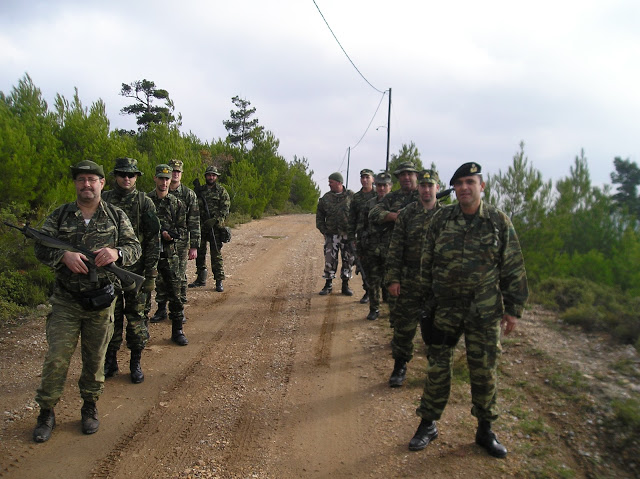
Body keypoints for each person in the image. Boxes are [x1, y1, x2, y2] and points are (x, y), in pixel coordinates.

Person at [408, 162, 529, 458]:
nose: (464, 187)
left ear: (481, 186)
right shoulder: (442, 219)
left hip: (484, 312)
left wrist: (513, 310)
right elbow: (427, 260)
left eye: (470, 182)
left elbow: (513, 266)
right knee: (438, 367)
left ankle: (485, 430)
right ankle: (428, 423)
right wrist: (424, 302)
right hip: (445, 309)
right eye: (459, 182)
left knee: (484, 371)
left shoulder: (498, 222)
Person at [32, 160, 141, 443]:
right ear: (76, 184)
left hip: (101, 302)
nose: (87, 185)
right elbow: (40, 246)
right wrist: (62, 257)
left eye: (92, 179)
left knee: (95, 361)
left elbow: (134, 247)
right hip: (66, 301)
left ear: (102, 183)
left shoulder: (116, 216)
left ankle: (89, 407)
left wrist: (117, 253)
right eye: (81, 179)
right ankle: (46, 412)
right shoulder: (59, 216)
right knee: (56, 359)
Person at [102, 157, 160, 384]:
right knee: (111, 319)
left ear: (136, 177)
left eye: (131, 175)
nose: (127, 178)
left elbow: (153, 241)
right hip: (109, 272)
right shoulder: (104, 199)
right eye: (122, 174)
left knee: (137, 318)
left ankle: (135, 362)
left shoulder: (145, 203)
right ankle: (110, 361)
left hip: (136, 272)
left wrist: (151, 274)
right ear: (115, 176)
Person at [385, 169, 441, 387]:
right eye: (423, 186)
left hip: (434, 285)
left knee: (435, 331)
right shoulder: (407, 214)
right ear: (419, 188)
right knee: (403, 327)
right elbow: (395, 248)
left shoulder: (446, 215)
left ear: (437, 187)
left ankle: (435, 371)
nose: (426, 189)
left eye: (430, 185)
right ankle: (400, 366)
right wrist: (393, 279)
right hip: (408, 281)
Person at [368, 161, 420, 325]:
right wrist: (393, 216)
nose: (406, 177)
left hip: (420, 256)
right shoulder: (392, 197)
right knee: (395, 294)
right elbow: (374, 213)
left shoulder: (424, 194)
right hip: (395, 253)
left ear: (416, 176)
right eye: (402, 175)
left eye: (409, 174)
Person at [150, 159, 200, 322]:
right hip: (157, 244)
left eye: (178, 172)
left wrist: (194, 245)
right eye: (173, 171)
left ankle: (179, 308)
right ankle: (161, 308)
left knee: (178, 276)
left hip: (180, 243)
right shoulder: (151, 197)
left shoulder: (187, 194)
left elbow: (193, 220)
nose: (175, 174)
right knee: (159, 277)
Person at [147, 164, 189, 346]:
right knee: (144, 294)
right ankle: (141, 332)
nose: (164, 182)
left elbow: (183, 229)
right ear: (155, 179)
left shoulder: (177, 203)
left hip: (170, 254)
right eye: (161, 178)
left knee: (175, 291)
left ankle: (177, 330)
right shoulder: (146, 201)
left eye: (167, 179)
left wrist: (170, 235)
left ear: (171, 180)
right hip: (149, 255)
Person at [189, 165, 231, 292]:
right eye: (209, 175)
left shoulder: (221, 191)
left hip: (215, 228)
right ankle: (201, 279)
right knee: (200, 255)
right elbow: (192, 206)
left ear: (216, 177)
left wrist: (216, 220)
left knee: (216, 255)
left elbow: (225, 209)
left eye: (213, 175)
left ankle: (219, 281)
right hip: (201, 227)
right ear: (205, 176)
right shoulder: (199, 191)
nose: (211, 177)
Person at [360, 171, 393, 320]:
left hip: (391, 248)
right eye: (379, 185)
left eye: (384, 185)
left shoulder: (396, 203)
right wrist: (360, 246)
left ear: (390, 186)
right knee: (373, 280)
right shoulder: (370, 204)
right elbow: (362, 226)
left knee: (391, 280)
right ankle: (374, 308)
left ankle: (392, 309)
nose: (381, 188)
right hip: (372, 247)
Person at [315, 172, 355, 296]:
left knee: (348, 259)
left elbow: (358, 213)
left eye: (331, 182)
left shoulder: (351, 196)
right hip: (331, 235)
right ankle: (328, 284)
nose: (329, 184)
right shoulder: (326, 198)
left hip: (347, 235)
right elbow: (319, 216)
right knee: (329, 260)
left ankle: (345, 285)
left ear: (339, 182)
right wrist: (324, 230)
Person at [347, 168, 376, 304]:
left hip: (378, 236)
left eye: (367, 177)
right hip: (362, 237)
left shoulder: (379, 195)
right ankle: (368, 292)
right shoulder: (356, 197)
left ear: (372, 179)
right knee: (363, 265)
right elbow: (351, 218)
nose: (364, 180)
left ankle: (382, 293)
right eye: (362, 177)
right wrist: (351, 237)